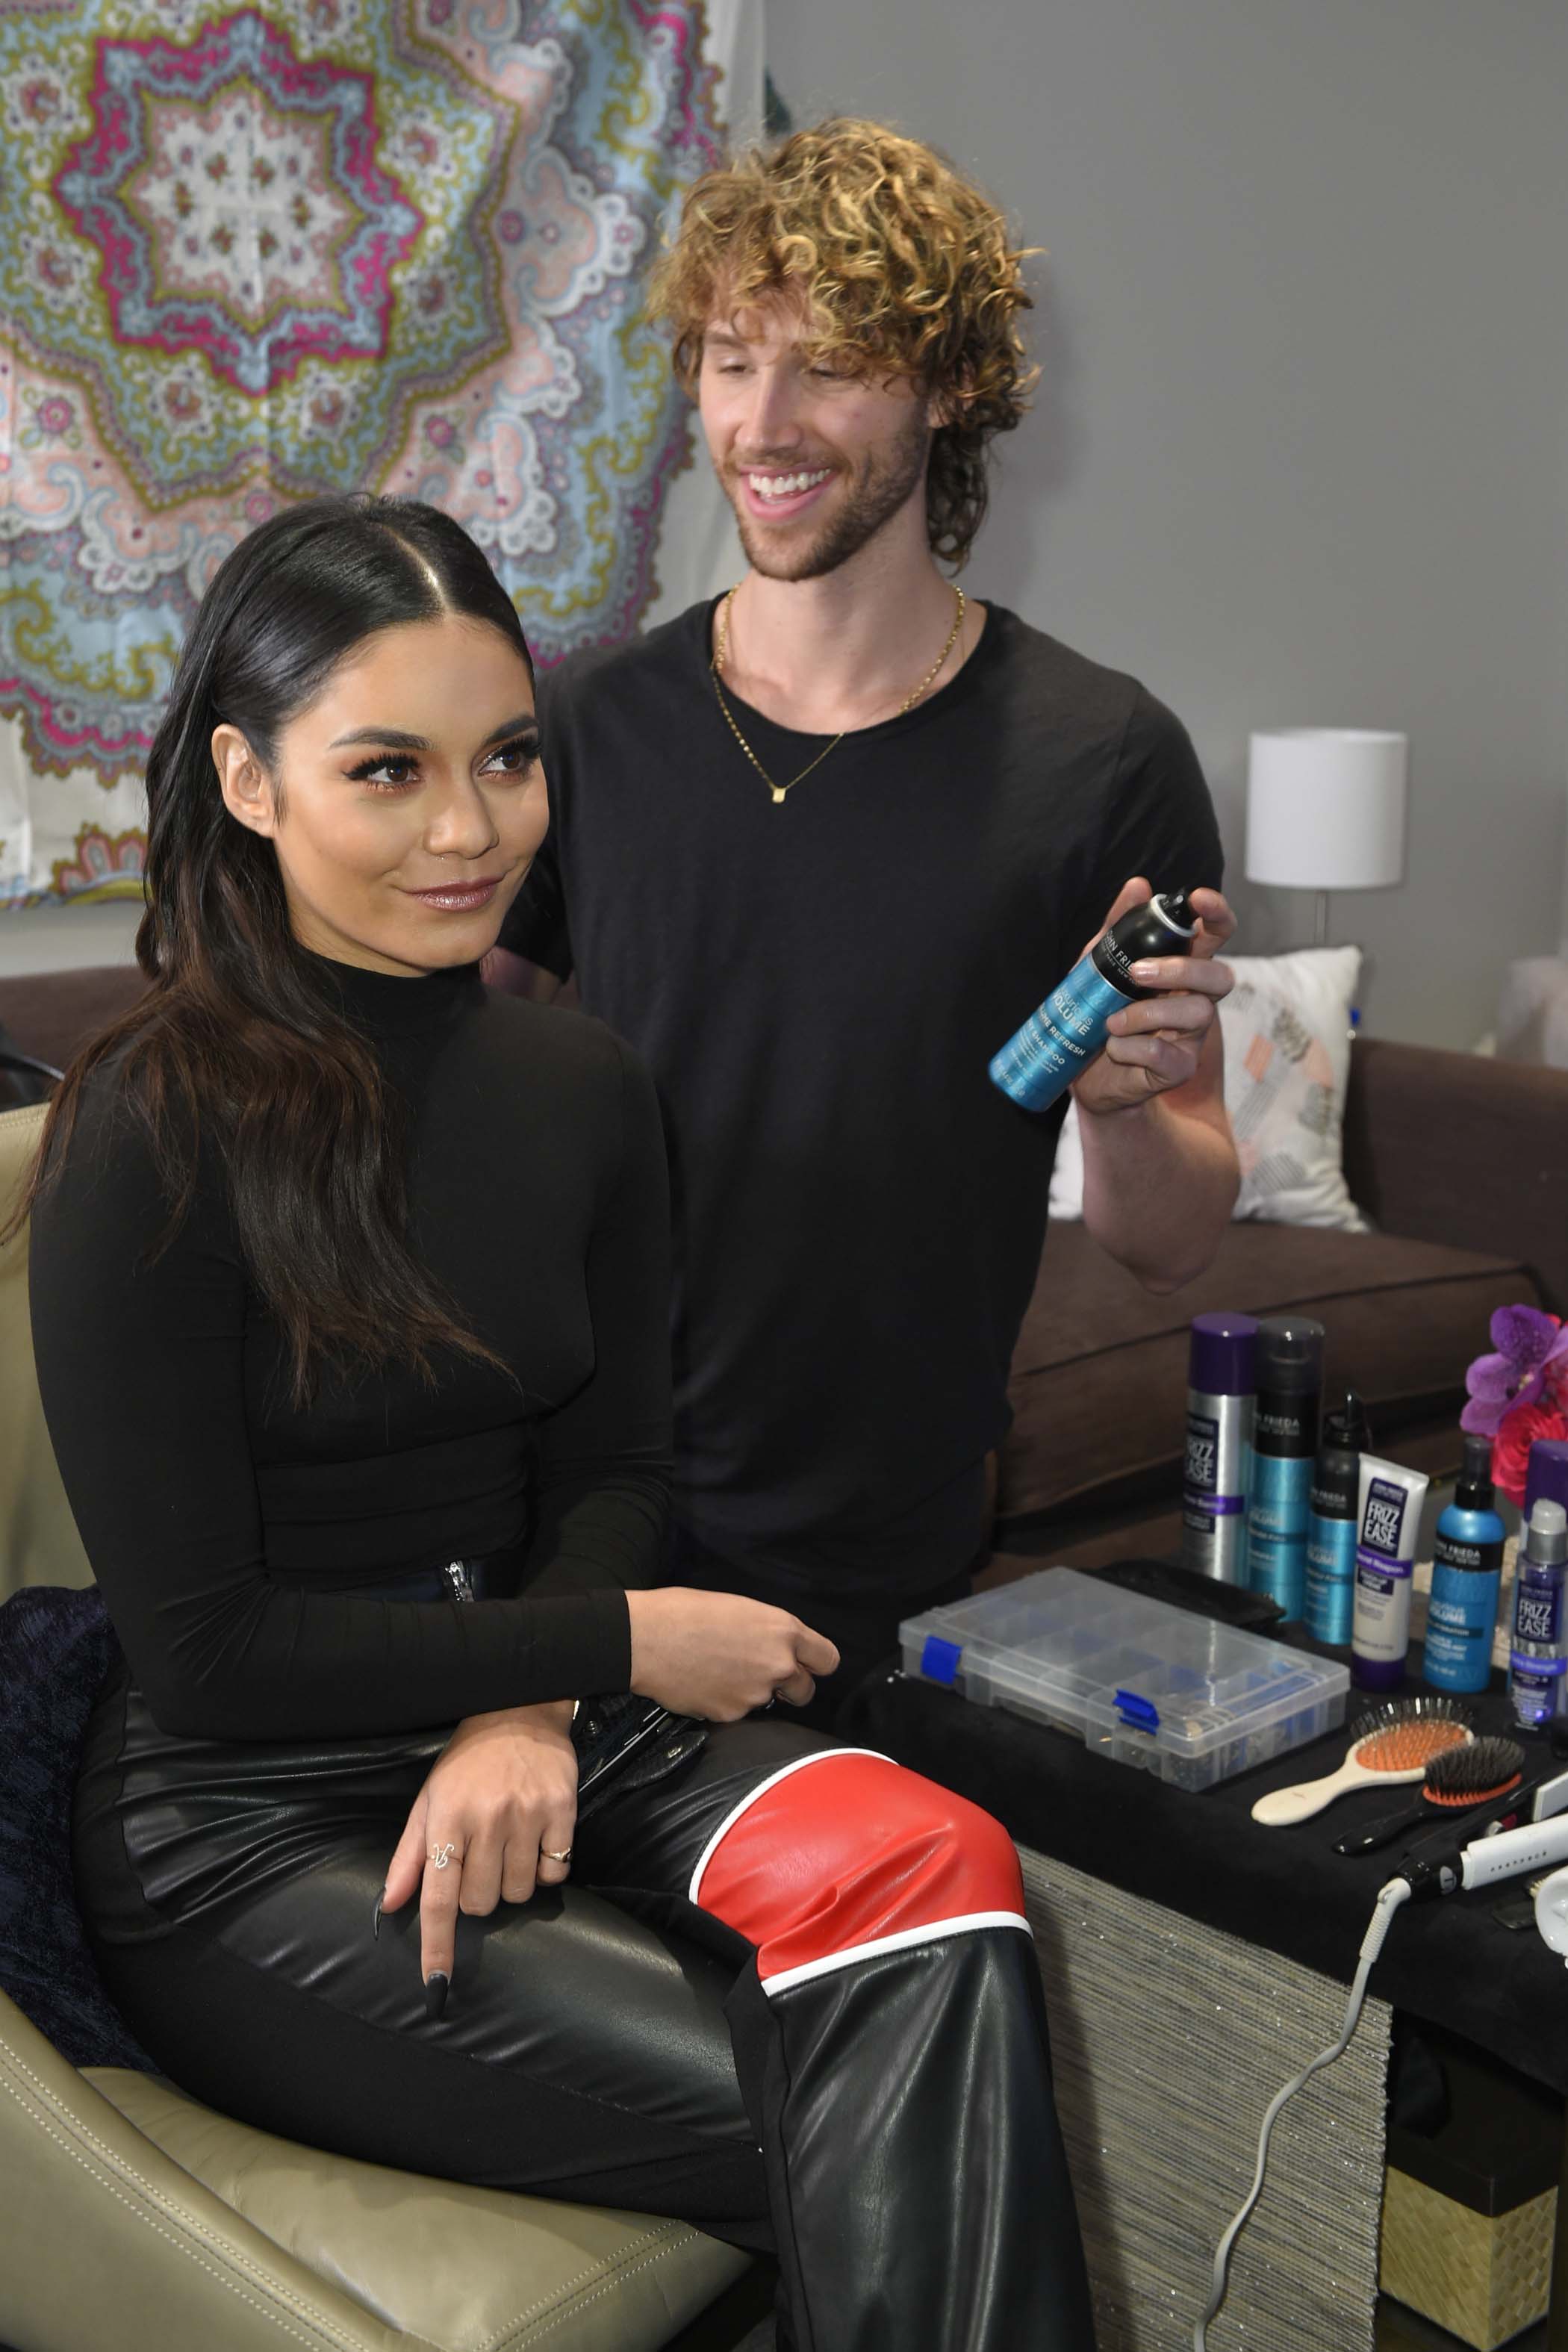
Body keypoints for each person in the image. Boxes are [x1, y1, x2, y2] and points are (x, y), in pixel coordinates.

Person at [25, 496, 1095, 2352]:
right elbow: (205, 1658)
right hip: (259, 1826)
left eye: (509, 758)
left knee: (941, 1887)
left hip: (551, 1723)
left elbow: (618, 1468)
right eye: (389, 771)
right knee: (881, 2096)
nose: (471, 831)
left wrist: (526, 1705)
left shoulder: (584, 1085)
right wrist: (609, 1644)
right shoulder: (147, 1129)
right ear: (248, 780)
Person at [491, 119, 1242, 1723]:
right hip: (576, 1499)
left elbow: (1168, 1236)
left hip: (879, 1525)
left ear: (947, 387)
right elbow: (443, 1070)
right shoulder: (590, 728)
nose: (762, 425)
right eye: (729, 360)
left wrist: (1118, 1113)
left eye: (828, 366)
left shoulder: (1102, 760)